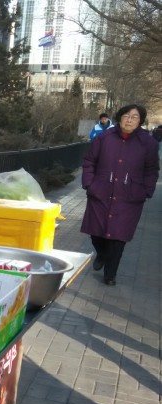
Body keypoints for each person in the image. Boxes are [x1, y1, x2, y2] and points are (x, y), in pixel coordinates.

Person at [80, 104, 160, 286]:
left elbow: (151, 170)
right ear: (119, 117)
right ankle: (101, 253)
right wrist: (89, 184)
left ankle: (110, 274)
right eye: (126, 115)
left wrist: (146, 190)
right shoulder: (104, 138)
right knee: (96, 233)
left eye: (135, 117)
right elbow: (89, 161)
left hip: (130, 195)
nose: (129, 119)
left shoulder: (148, 143)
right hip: (101, 191)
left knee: (119, 237)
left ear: (140, 121)